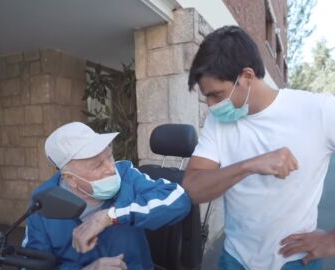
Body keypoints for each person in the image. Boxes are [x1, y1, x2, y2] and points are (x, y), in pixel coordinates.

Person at [183, 25, 335, 270]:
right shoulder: (218, 122)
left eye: (217, 95)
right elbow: (192, 188)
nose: (211, 106)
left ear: (247, 76)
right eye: (207, 98)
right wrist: (249, 166)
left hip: (295, 262)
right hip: (234, 259)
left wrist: (331, 241)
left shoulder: (319, 111)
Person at [22, 122, 191, 270]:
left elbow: (179, 199)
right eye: (97, 165)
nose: (110, 168)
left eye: (109, 156)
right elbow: (32, 265)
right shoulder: (43, 203)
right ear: (70, 179)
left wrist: (111, 216)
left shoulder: (127, 175)